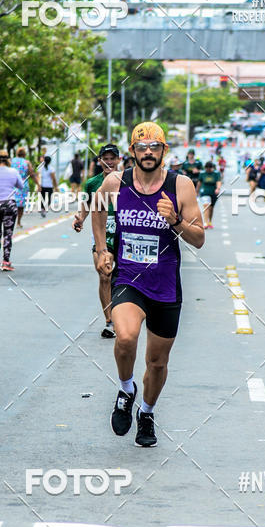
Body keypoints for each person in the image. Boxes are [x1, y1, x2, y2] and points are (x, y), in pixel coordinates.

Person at [91, 121, 204, 447]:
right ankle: (126, 390)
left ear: (164, 152)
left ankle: (147, 413)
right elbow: (96, 208)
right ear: (133, 152)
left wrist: (175, 220)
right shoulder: (117, 181)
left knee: (157, 363)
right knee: (125, 337)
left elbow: (199, 239)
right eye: (142, 147)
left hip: (166, 286)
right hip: (128, 278)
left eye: (155, 147)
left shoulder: (180, 186)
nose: (149, 153)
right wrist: (102, 249)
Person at [73, 144, 121, 339]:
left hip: (123, 234)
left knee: (122, 278)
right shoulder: (92, 183)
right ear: (100, 160)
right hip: (101, 233)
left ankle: (123, 317)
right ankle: (109, 321)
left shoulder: (127, 181)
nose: (109, 162)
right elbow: (85, 205)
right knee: (104, 276)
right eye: (105, 158)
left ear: (119, 160)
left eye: (112, 158)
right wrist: (80, 219)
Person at [10, 147, 37, 228]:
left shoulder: (11, 161)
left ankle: (11, 221)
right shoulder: (26, 162)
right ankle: (18, 222)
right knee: (20, 206)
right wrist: (38, 184)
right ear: (24, 154)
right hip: (22, 186)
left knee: (12, 204)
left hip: (12, 185)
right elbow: (32, 174)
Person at [197, 161, 222, 229]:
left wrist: (218, 188)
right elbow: (199, 183)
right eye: (206, 168)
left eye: (209, 168)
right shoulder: (202, 173)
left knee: (211, 208)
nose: (208, 170)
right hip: (204, 192)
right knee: (206, 206)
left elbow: (218, 181)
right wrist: (197, 191)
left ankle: (209, 221)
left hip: (213, 193)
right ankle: (205, 223)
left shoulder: (216, 173)